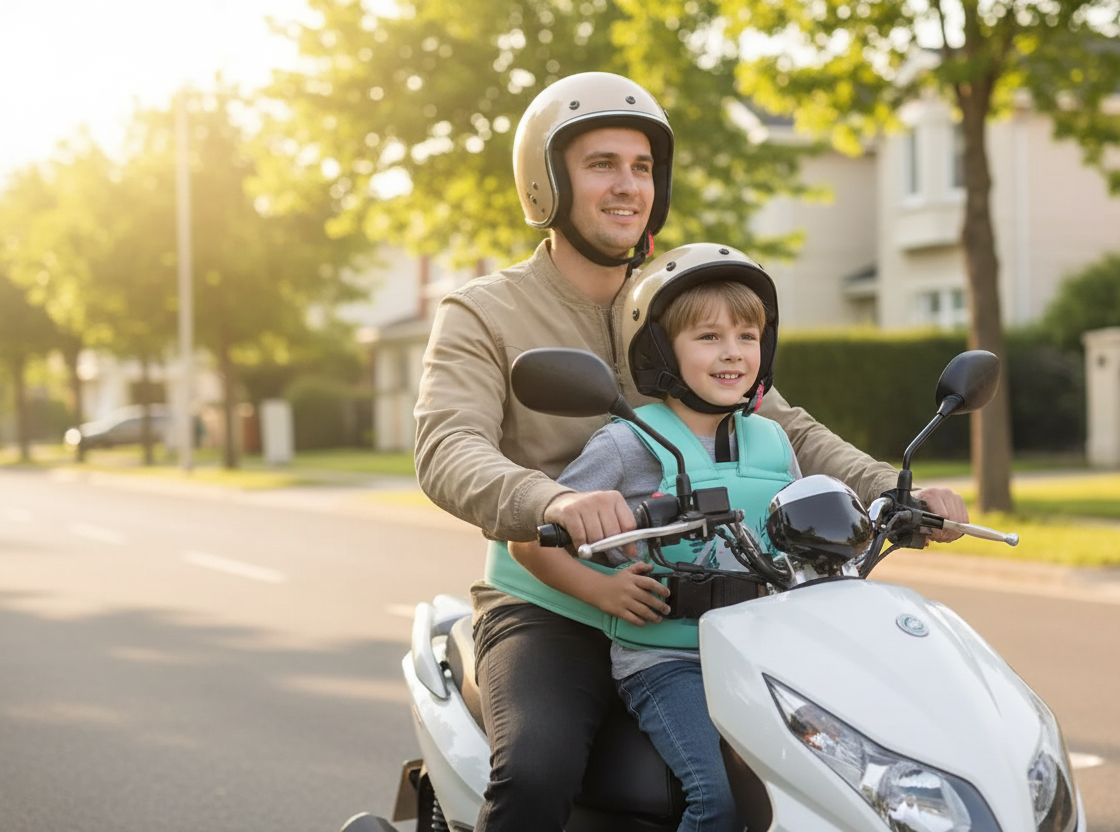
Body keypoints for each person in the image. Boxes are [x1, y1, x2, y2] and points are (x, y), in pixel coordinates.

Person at [412, 71, 968, 832]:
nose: (627, 186)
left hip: (695, 602)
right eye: (601, 164)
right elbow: (447, 445)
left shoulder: (673, 303)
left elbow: (785, 423)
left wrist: (892, 489)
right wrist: (555, 501)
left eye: (642, 168)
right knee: (536, 772)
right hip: (549, 600)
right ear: (547, 185)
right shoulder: (484, 312)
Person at [510, 243, 800, 832]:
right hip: (667, 661)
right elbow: (529, 541)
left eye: (748, 336)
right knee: (715, 803)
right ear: (663, 351)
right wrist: (603, 591)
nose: (733, 353)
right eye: (709, 337)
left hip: (761, 657)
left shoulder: (774, 442)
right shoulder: (627, 444)